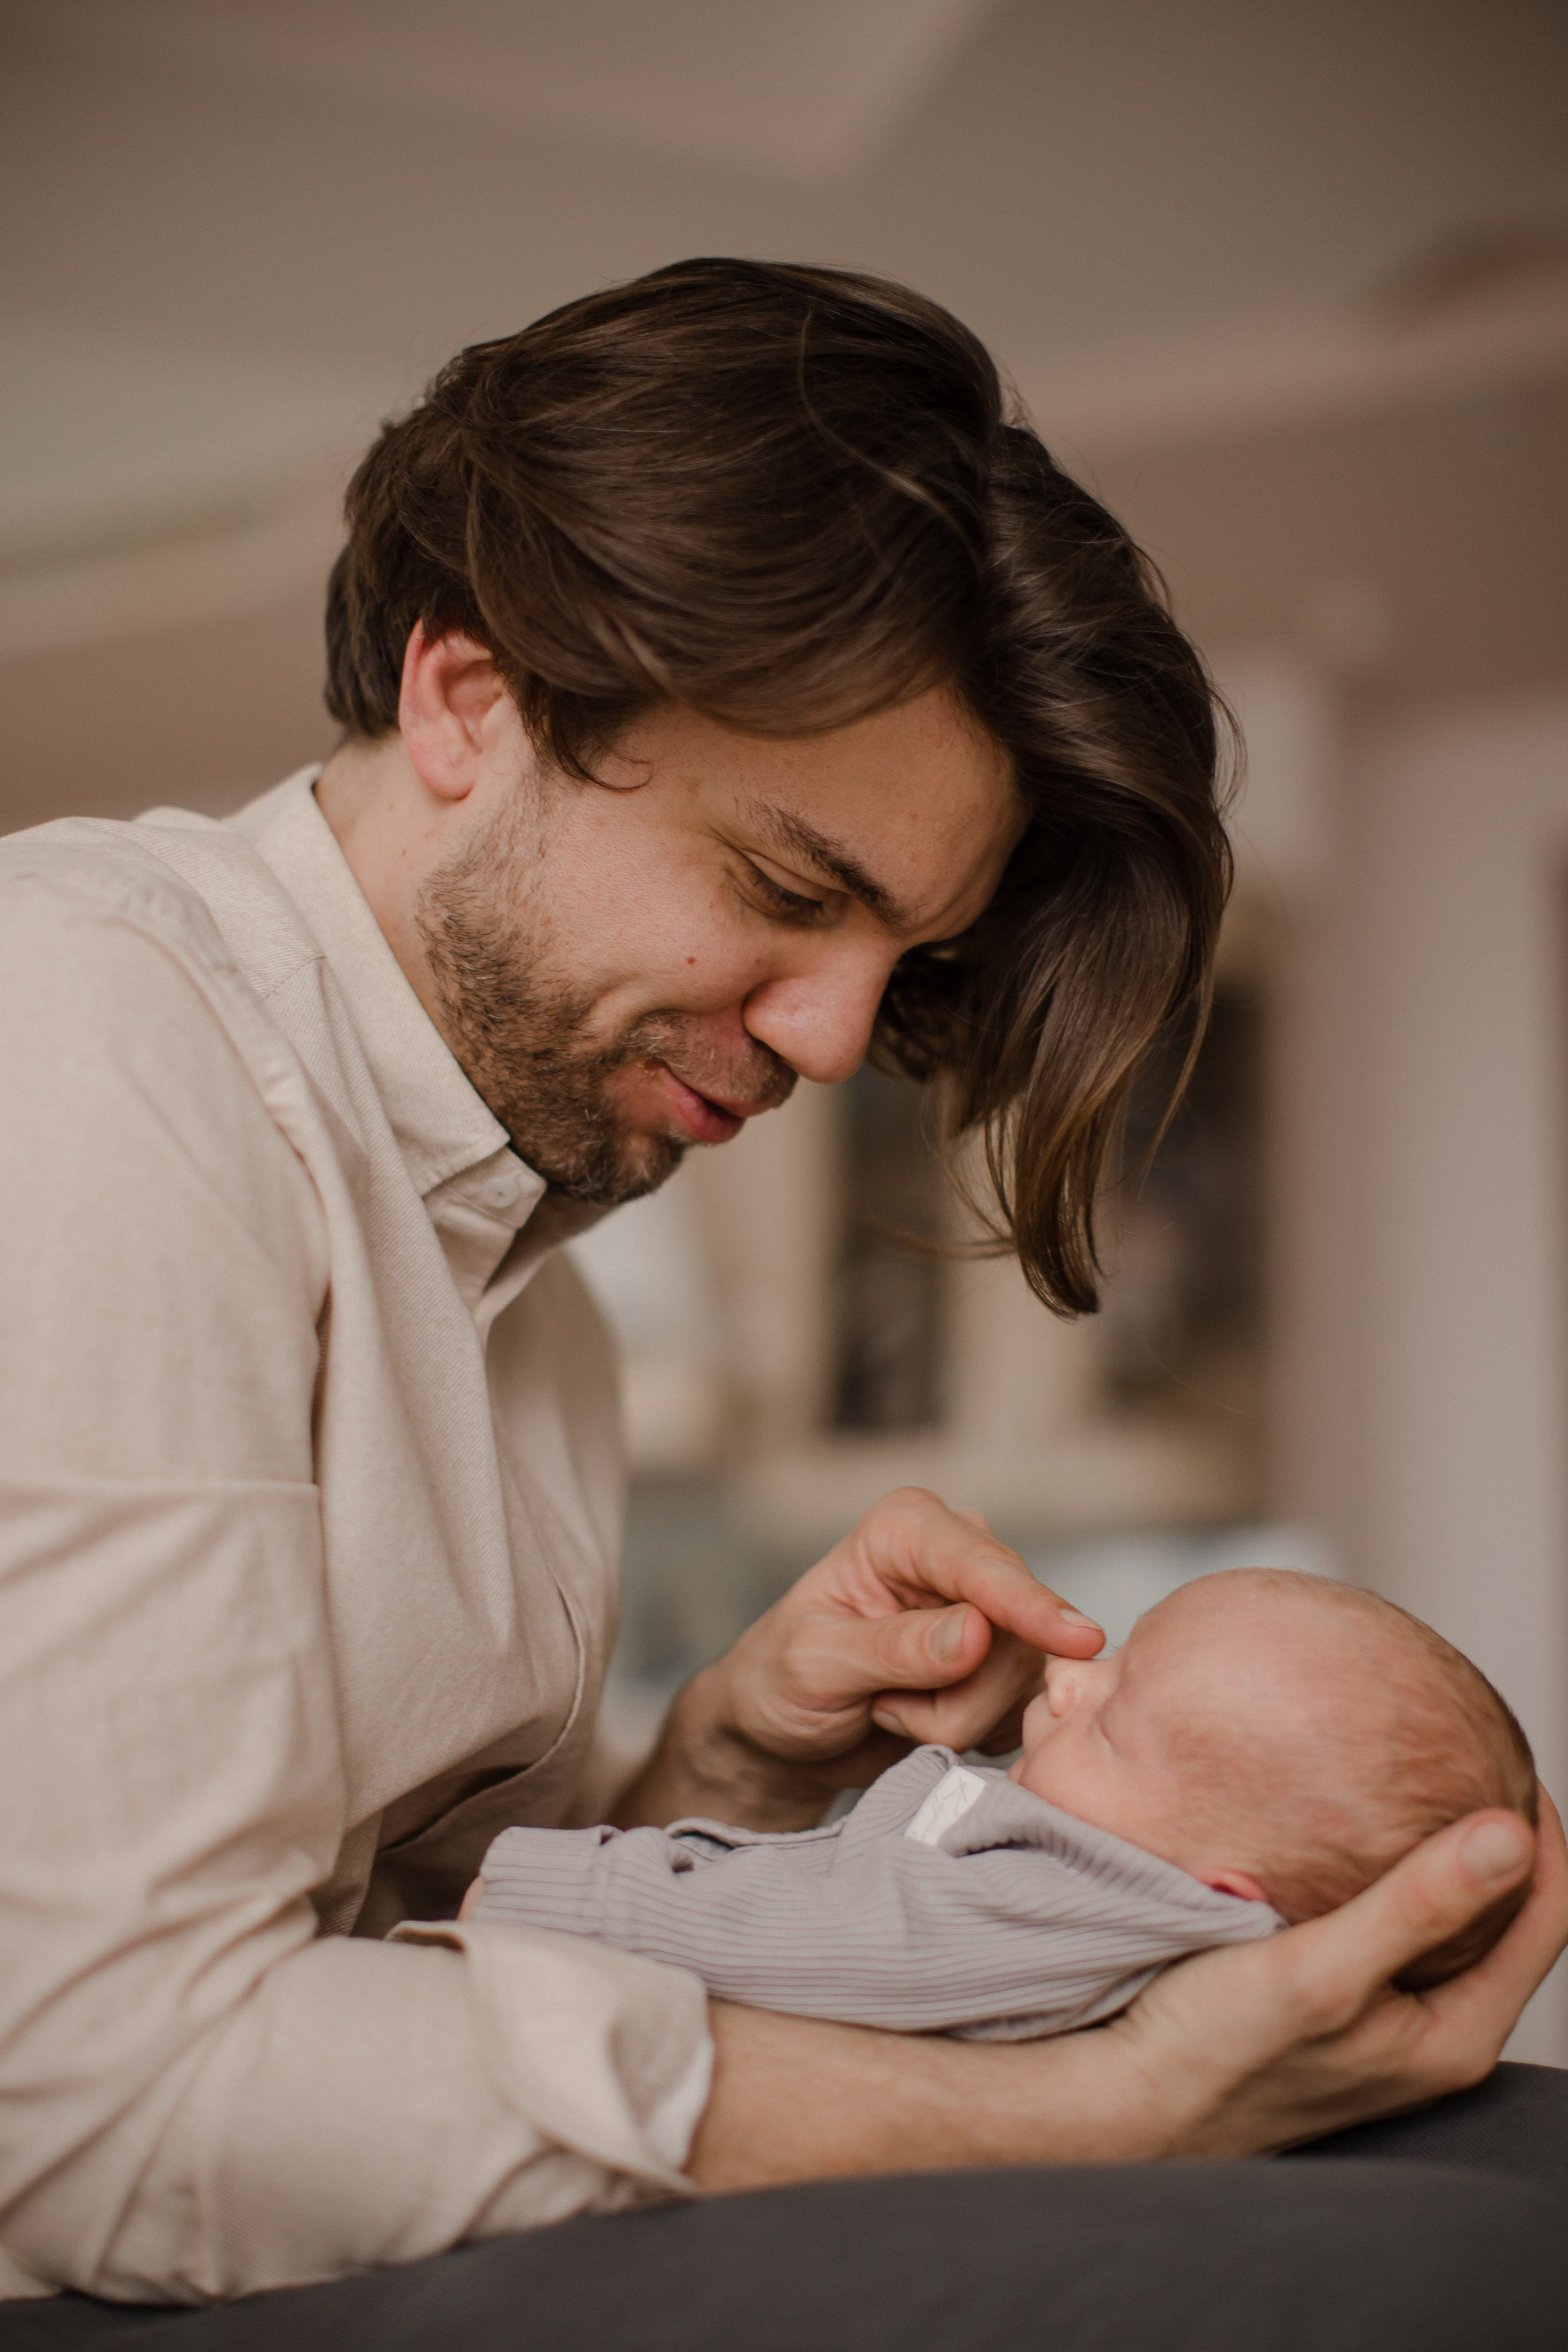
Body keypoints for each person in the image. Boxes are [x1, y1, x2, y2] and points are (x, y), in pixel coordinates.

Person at [0, 259, 1564, 2348]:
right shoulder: (85, 1038)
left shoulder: (538, 1302)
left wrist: (715, 1776)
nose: (836, 1042)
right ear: (470, 699)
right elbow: (109, 2098)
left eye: (898, 956)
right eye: (790, 889)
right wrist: (1107, 2104)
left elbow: (412, 1969)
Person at [468, 1569, 1539, 2036]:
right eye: (1119, 1653)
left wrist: (563, 1900)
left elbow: (831, 1944)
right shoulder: (1095, 1855)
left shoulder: (1080, 1917)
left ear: (1221, 1891)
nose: (1069, 1682)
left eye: (1113, 1722)